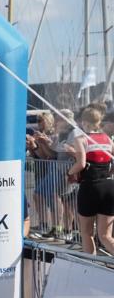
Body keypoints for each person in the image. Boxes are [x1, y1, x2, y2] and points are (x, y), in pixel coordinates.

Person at [67, 105, 114, 256]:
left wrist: (69, 172)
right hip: (108, 185)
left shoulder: (81, 139)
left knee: (87, 233)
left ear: (83, 122)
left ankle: (90, 265)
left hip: (90, 187)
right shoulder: (108, 139)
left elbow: (80, 164)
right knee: (106, 236)